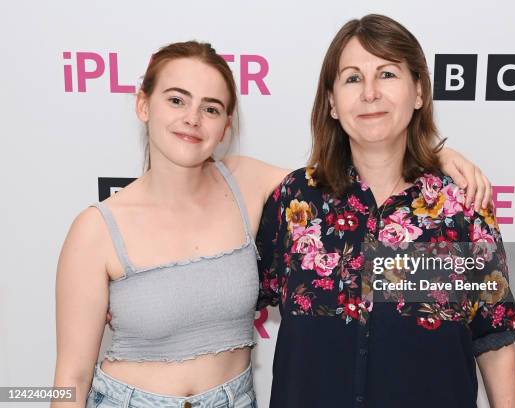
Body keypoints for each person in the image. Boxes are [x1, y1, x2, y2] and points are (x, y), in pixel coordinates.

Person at [53, 41, 491, 407]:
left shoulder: (248, 182)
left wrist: (435, 159)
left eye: (211, 108)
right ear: (143, 104)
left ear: (226, 125)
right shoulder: (96, 229)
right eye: (175, 99)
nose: (191, 118)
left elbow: (357, 175)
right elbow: (71, 374)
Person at [256, 14, 515, 408]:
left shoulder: (462, 207)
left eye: (387, 74)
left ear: (418, 92)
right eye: (352, 78)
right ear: (331, 103)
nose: (369, 93)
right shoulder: (295, 201)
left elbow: (494, 342)